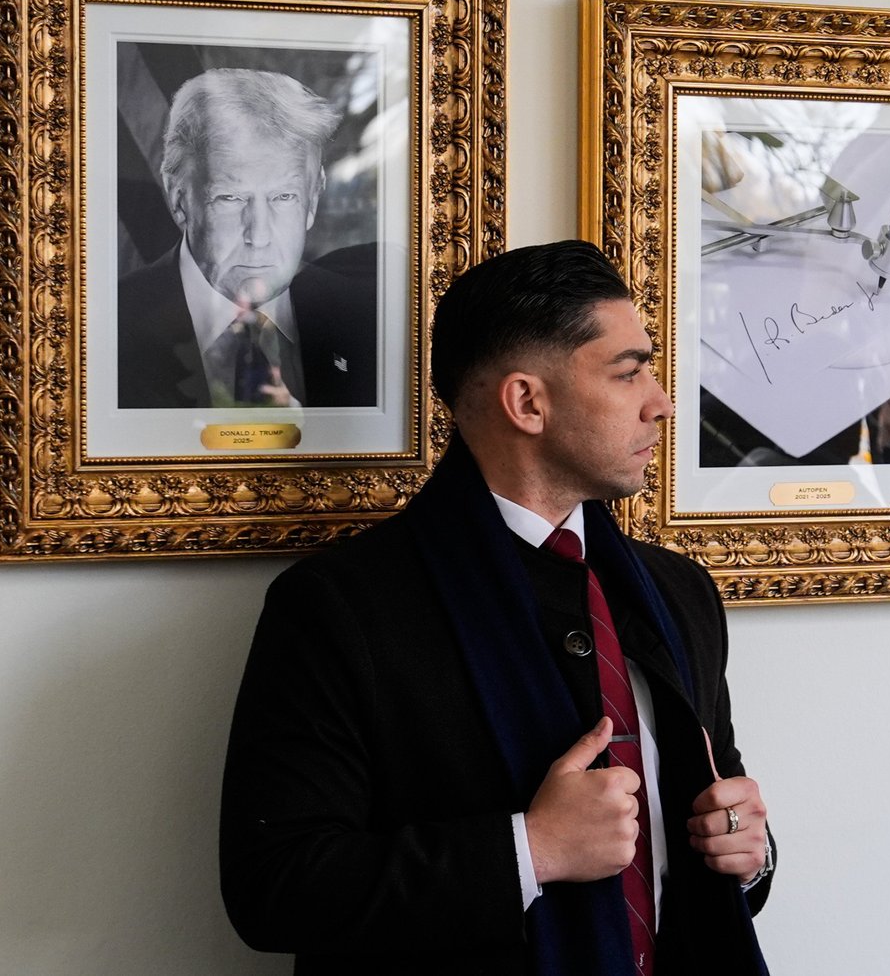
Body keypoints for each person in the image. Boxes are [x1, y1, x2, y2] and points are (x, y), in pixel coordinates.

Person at [220, 240, 774, 974]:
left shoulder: (679, 592)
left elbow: (718, 819)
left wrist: (749, 853)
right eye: (629, 370)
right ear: (526, 402)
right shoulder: (337, 607)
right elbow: (273, 889)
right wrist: (531, 850)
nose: (661, 402)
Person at [117, 67, 377, 409]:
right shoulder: (104, 323)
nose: (259, 234)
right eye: (231, 198)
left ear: (313, 200)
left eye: (284, 197)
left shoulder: (368, 316)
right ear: (180, 201)